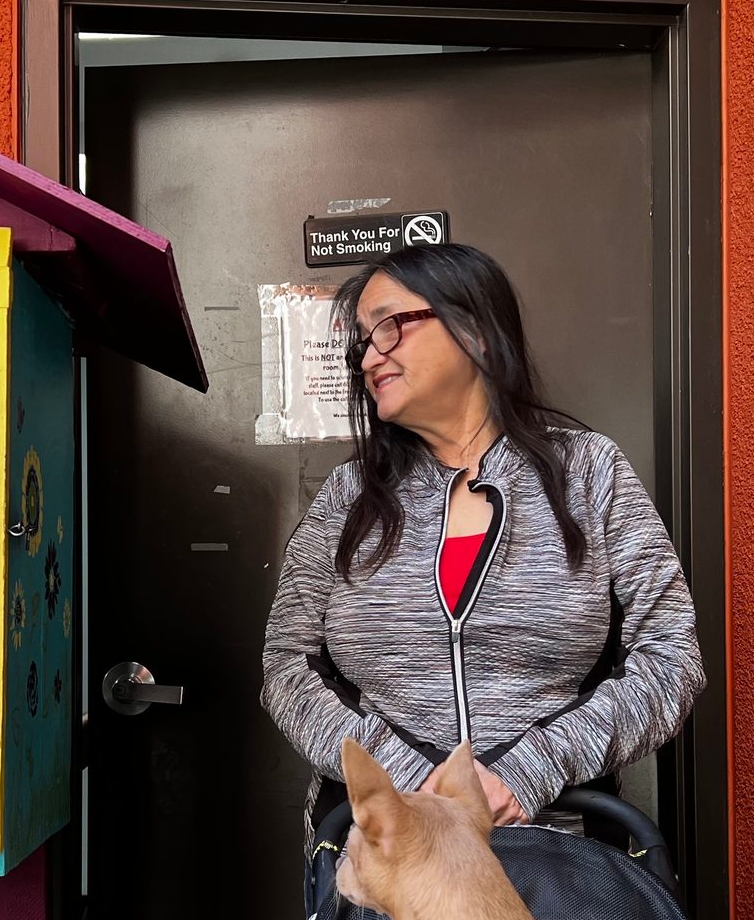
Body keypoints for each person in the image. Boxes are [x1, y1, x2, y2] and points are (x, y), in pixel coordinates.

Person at [260, 243, 706, 831]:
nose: (368, 358)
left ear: (475, 330)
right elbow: (287, 666)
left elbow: (672, 657)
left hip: (559, 856)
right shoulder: (348, 497)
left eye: (389, 327)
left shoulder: (589, 473)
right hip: (389, 857)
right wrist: (404, 778)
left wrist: (531, 772)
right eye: (362, 341)